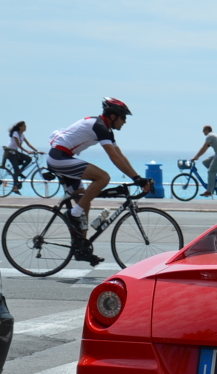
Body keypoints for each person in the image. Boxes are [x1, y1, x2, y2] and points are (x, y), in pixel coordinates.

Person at [47, 97, 150, 265]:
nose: (125, 122)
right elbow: (113, 157)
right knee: (103, 177)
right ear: (113, 116)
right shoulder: (100, 126)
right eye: (123, 117)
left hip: (64, 157)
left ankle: (81, 248)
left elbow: (120, 155)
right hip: (59, 158)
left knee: (84, 202)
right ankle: (72, 214)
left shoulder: (106, 129)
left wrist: (138, 177)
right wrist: (137, 179)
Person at [3, 121, 41, 194]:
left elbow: (28, 144)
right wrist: (27, 151)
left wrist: (37, 151)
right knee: (16, 171)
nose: (25, 127)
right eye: (24, 126)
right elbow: (18, 145)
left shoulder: (22, 135)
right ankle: (15, 188)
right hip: (10, 153)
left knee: (29, 159)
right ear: (20, 127)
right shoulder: (15, 133)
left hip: (15, 152)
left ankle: (19, 171)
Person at [190, 125, 217, 197]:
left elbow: (204, 148)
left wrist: (196, 156)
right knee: (205, 162)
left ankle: (209, 191)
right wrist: (198, 156)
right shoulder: (212, 136)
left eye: (203, 130)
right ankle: (214, 177)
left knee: (210, 171)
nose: (203, 132)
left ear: (207, 130)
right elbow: (205, 148)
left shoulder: (209, 136)